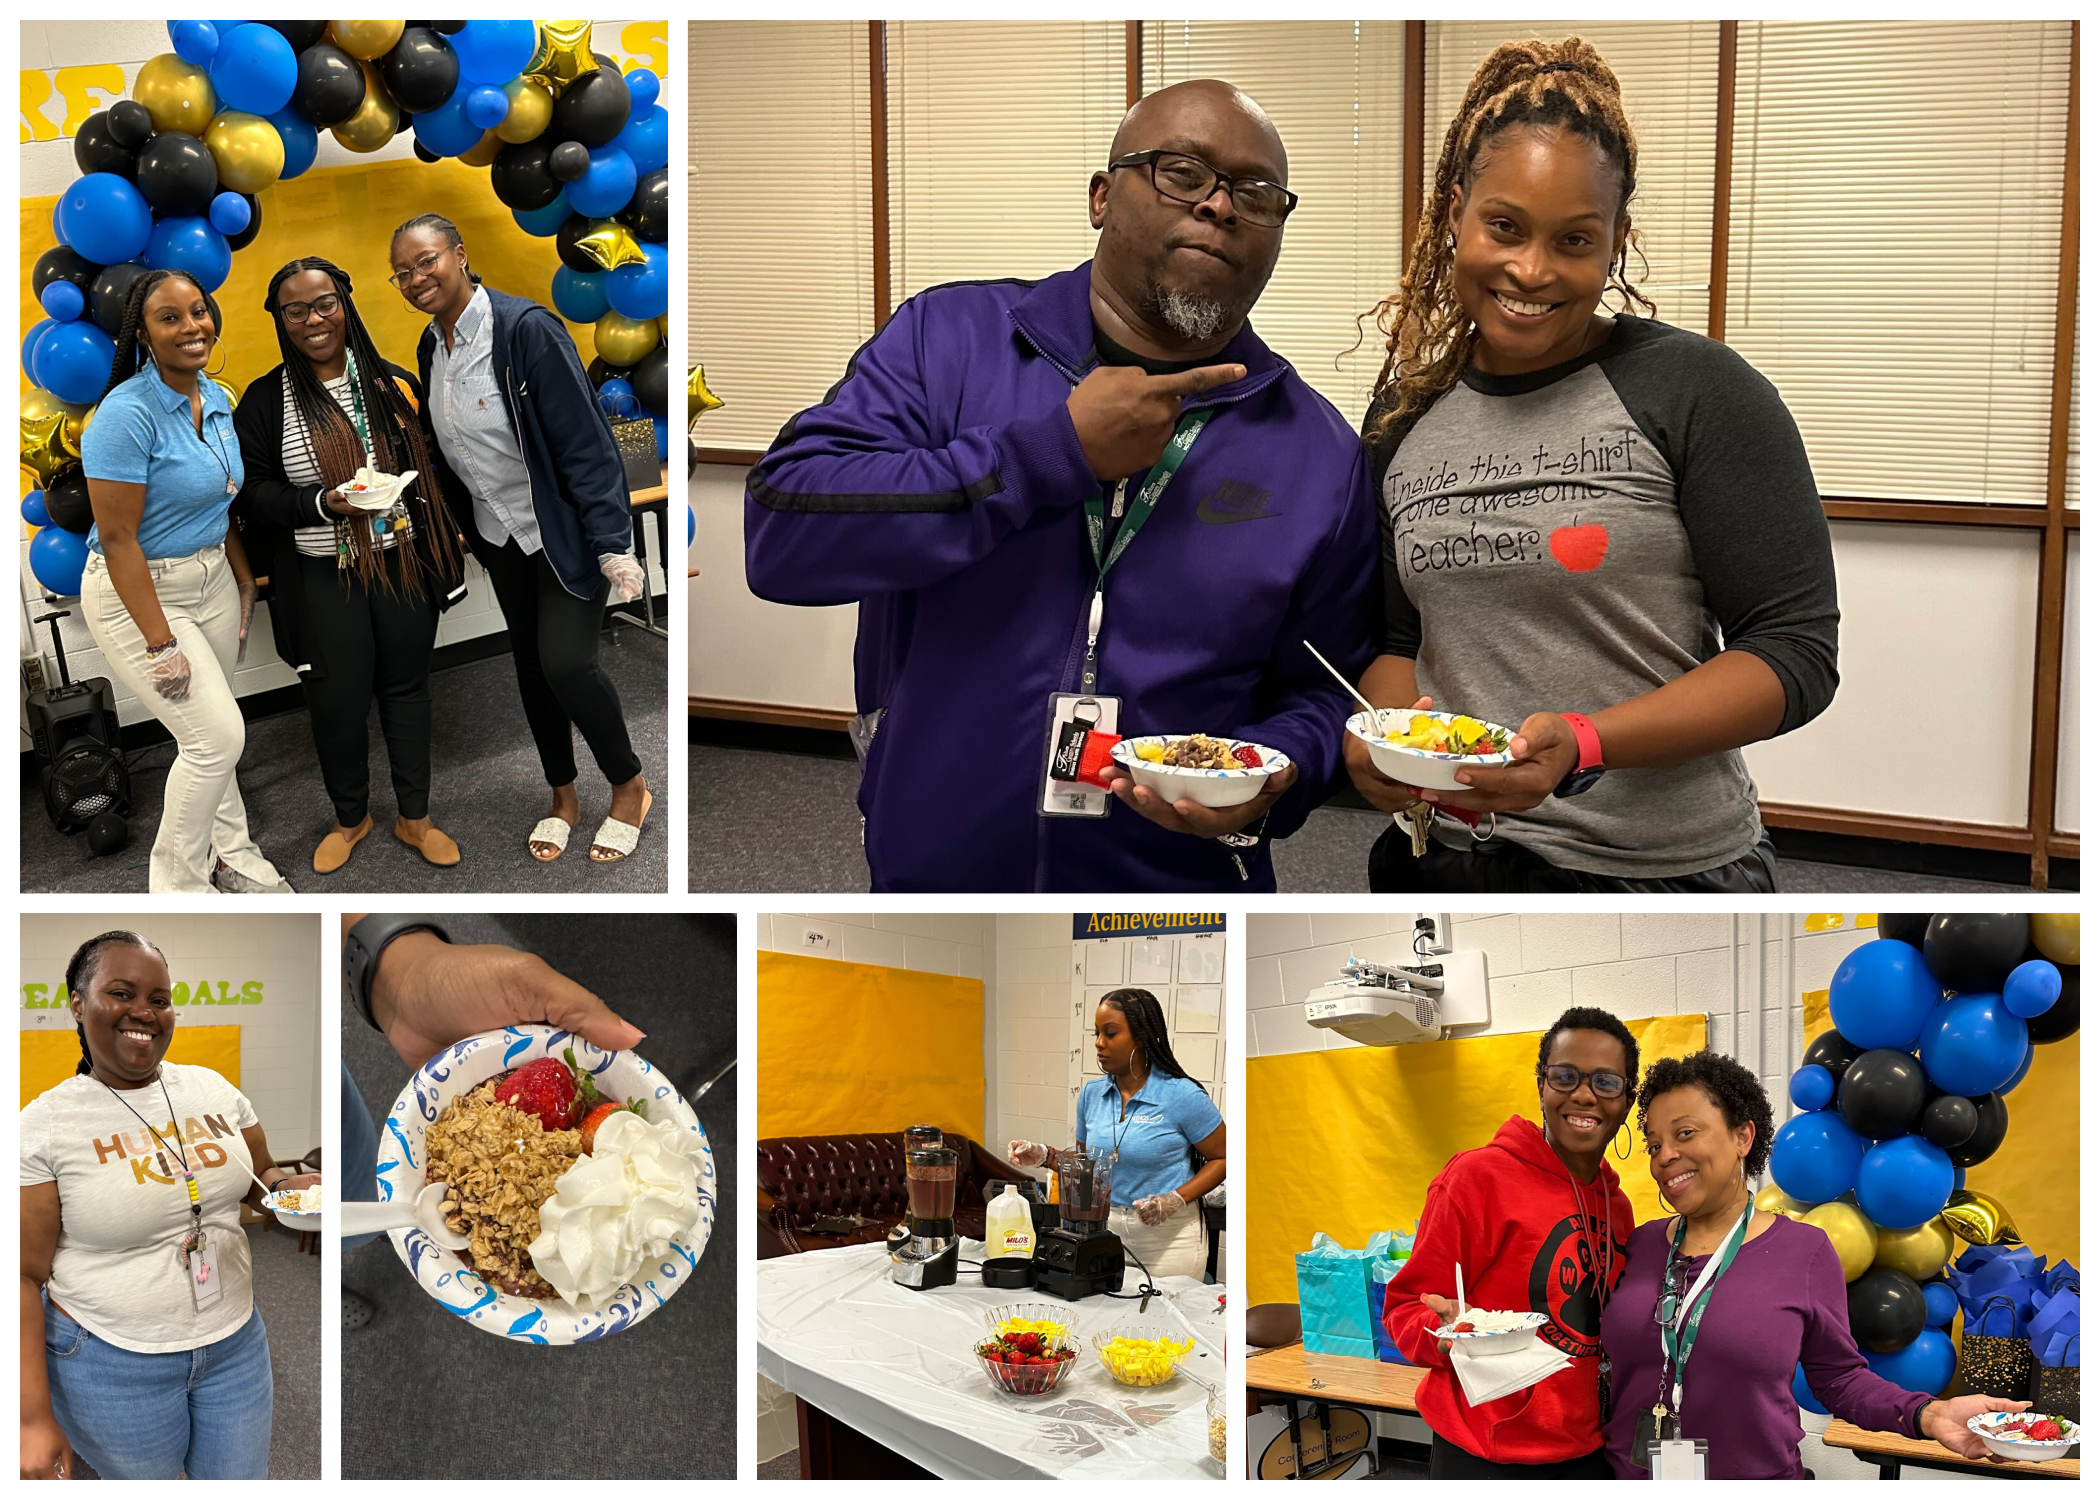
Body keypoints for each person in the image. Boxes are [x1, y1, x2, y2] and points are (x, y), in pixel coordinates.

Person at [745, 79, 1378, 892]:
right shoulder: (948, 341)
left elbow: (1328, 689)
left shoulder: (1319, 451)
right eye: (1182, 172)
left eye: (1254, 194)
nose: (1219, 205)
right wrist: (1042, 456)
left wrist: (1279, 771)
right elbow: (783, 533)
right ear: (1102, 197)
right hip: (937, 872)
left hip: (1175, 892)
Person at [1349, 37, 1840, 893]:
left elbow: (1794, 652)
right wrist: (1380, 737)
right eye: (1504, 227)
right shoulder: (1404, 417)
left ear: (1616, 242)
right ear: (1456, 212)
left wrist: (1586, 741)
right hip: (1442, 856)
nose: (1531, 270)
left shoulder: (1698, 391)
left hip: (1656, 873)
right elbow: (1398, 642)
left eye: (1574, 240)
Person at [1604, 1051, 2029, 1479]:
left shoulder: (1802, 1251)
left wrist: (1930, 1415)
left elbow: (1839, 1379)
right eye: (1654, 1145)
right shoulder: (1641, 1244)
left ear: (1742, 1137)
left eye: (1685, 1133)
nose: (1665, 1156)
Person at [387, 214, 652, 864]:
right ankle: (562, 796)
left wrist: (613, 542)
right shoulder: (432, 347)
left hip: (561, 532)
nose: (416, 278)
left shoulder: (526, 330)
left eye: (426, 261)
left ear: (459, 254)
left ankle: (630, 786)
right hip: (499, 536)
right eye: (402, 272)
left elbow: (587, 444)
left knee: (568, 663)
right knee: (532, 666)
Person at [20, 931, 320, 1480]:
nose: (145, 1012)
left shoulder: (213, 1089)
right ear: (78, 1005)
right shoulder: (45, 1124)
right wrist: (29, 1416)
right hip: (111, 1359)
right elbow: (19, 1275)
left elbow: (262, 1178)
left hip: (235, 1343)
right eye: (121, 993)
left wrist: (295, 1192)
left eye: (159, 999)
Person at [233, 258, 470, 875]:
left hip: (400, 564)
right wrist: (321, 503)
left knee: (407, 691)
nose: (313, 320)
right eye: (295, 310)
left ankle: (415, 817)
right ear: (280, 320)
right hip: (321, 574)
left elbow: (434, 466)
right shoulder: (264, 401)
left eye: (324, 304)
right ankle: (351, 818)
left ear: (345, 304)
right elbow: (252, 494)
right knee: (336, 704)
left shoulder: (392, 385)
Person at [79, 269, 292, 894]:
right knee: (216, 740)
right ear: (143, 335)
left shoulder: (216, 397)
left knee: (210, 736)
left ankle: (234, 854)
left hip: (212, 580)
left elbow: (219, 503)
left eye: (198, 311)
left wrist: (244, 580)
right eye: (170, 317)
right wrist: (160, 643)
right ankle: (179, 889)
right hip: (139, 593)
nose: (192, 327)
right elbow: (118, 539)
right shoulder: (125, 414)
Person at [1383, 1007, 1638, 1477]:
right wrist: (1443, 1336)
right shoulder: (1476, 1179)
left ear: (1627, 1102)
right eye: (1565, 1076)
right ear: (1541, 1085)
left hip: (1589, 1447)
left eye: (1606, 1082)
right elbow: (1403, 1308)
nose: (1584, 1095)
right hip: (1487, 1452)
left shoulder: (1617, 1205)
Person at [1007, 988, 1224, 1278]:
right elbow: (1086, 1167)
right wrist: (1045, 1156)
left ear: (1142, 1037)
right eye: (1096, 1033)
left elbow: (1224, 1157)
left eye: (1110, 1033)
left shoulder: (1182, 1095)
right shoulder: (1091, 1095)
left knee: (1164, 1307)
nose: (1099, 1043)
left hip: (1168, 1238)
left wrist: (1174, 1199)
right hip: (1105, 1230)